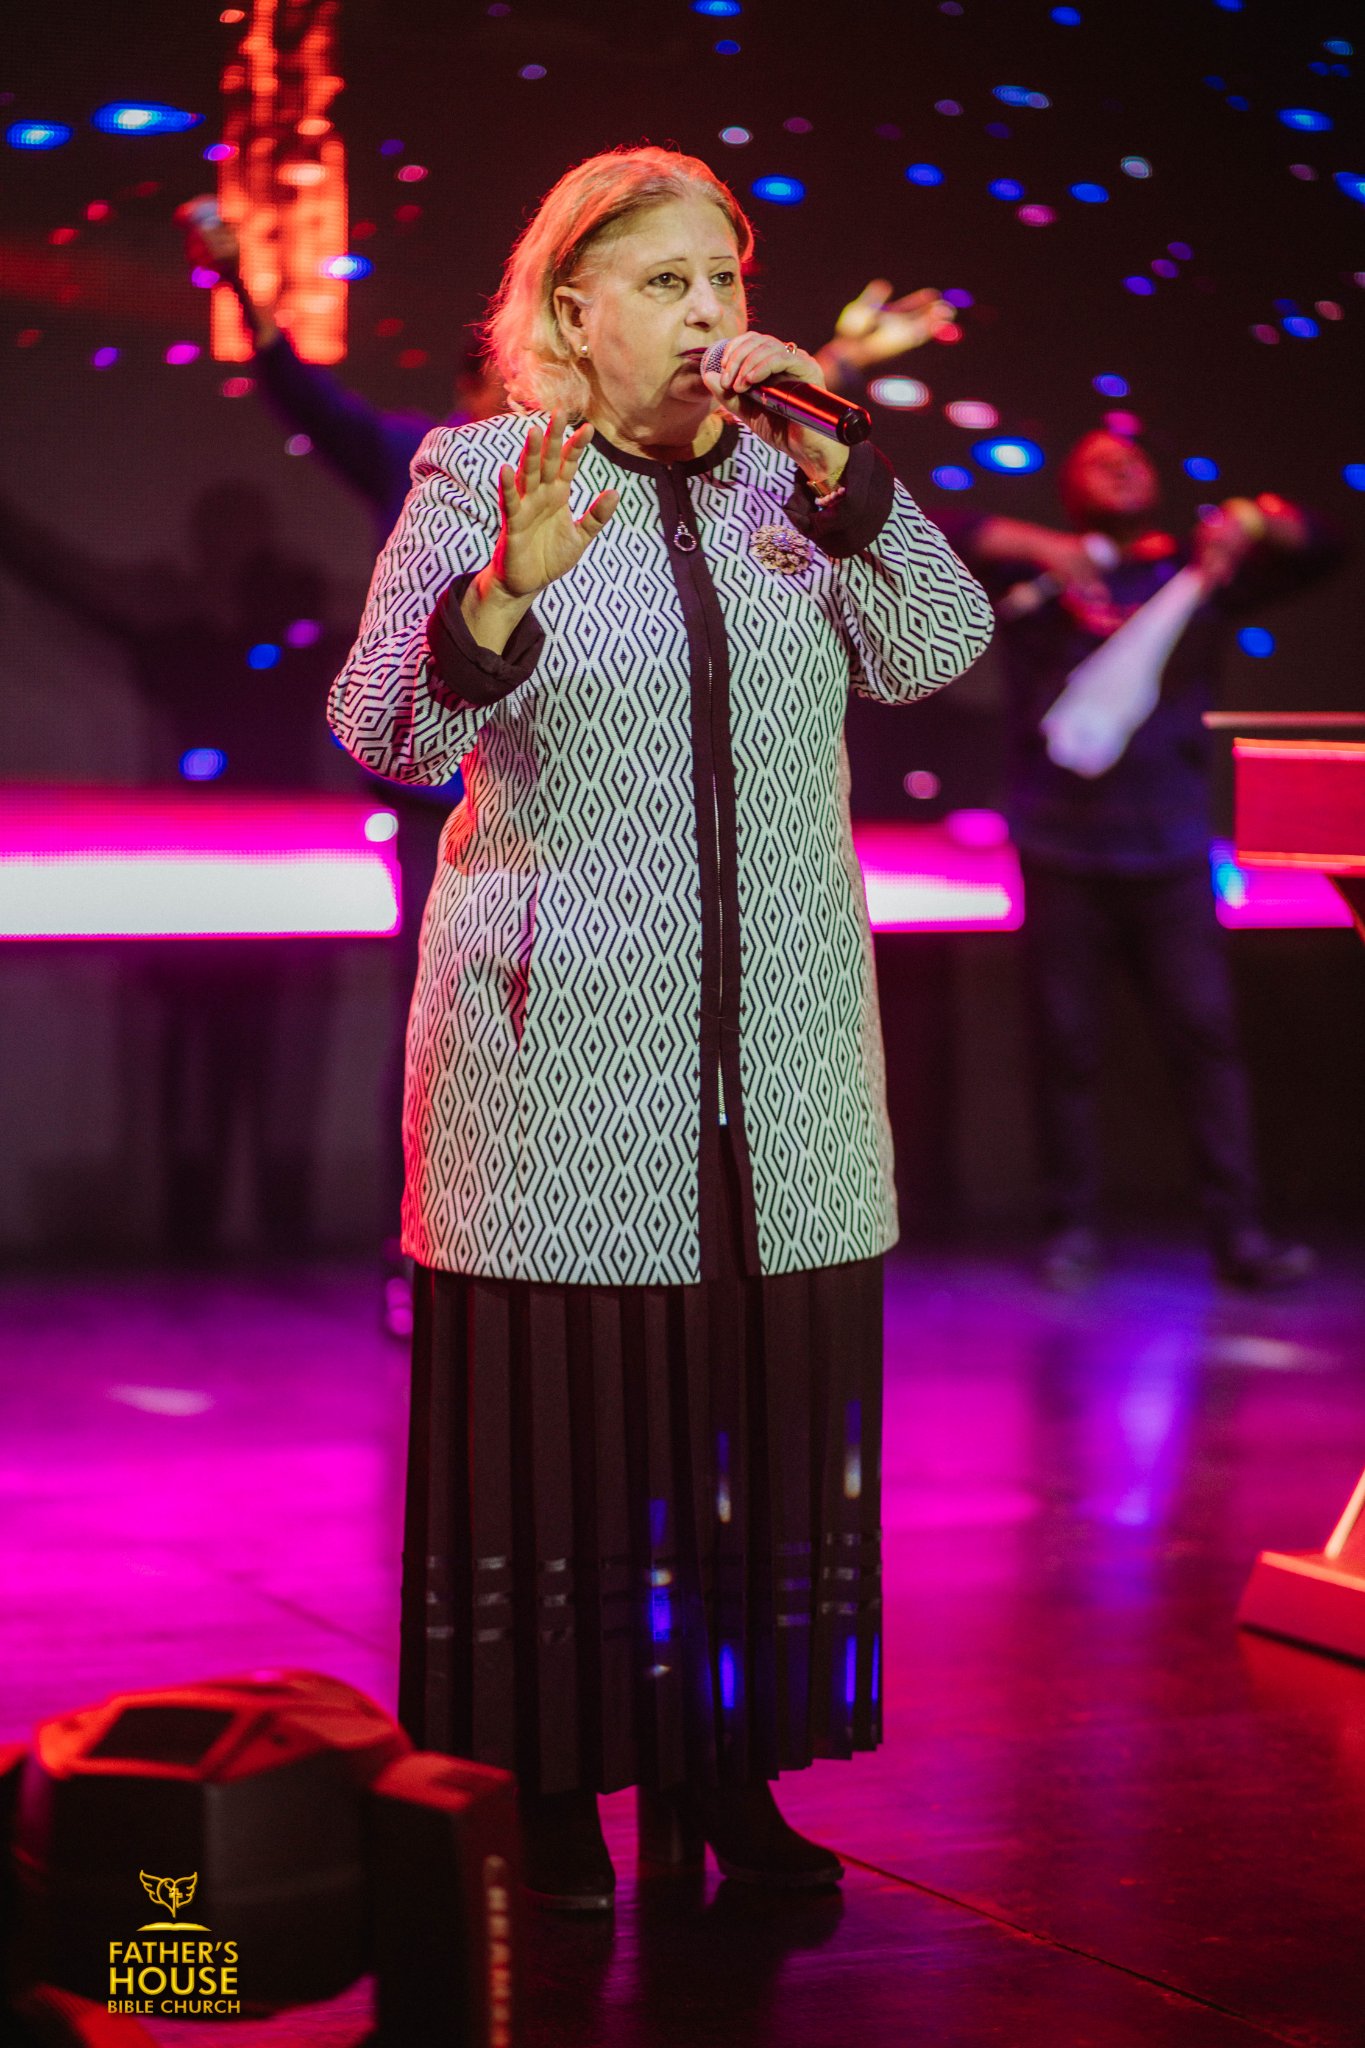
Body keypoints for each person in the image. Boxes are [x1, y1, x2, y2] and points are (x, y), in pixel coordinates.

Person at [328, 143, 992, 1912]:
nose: (710, 313)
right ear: (573, 312)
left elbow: (940, 646)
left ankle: (730, 1768)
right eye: (665, 282)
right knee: (570, 1442)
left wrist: (853, 486)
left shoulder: (793, 481)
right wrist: (502, 591)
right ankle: (553, 1783)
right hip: (561, 1053)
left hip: (785, 1057)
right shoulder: (479, 475)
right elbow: (384, 732)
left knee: (755, 1428)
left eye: (726, 278)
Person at [179, 204, 504, 1333]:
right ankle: (413, 1252)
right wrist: (240, 282)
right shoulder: (419, 457)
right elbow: (300, 393)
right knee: (434, 1030)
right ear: (477, 383)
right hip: (439, 804)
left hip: (557, 796)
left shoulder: (580, 473)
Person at [944, 431, 1341, 1289]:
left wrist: (1249, 521)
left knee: (1206, 1044)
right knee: (1065, 1049)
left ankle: (1239, 1236)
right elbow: (937, 532)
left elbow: (1324, 547)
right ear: (1067, 487)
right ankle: (1070, 1232)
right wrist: (1040, 545)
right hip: (1061, 848)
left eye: (1133, 460)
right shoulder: (1038, 583)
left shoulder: (1196, 575)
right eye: (1099, 461)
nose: (1122, 467)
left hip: (1169, 850)